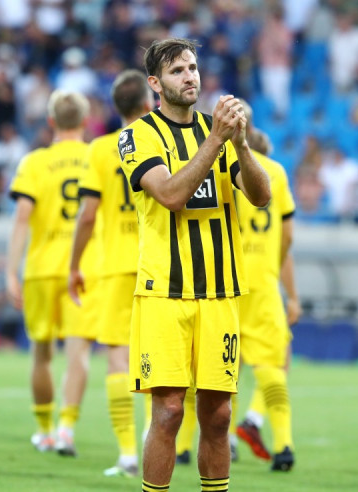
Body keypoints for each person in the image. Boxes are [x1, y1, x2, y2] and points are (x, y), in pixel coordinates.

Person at [117, 38, 270, 492]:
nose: (190, 77)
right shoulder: (138, 136)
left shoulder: (218, 130)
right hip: (165, 292)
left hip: (220, 293)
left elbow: (261, 196)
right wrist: (217, 141)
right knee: (168, 411)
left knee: (219, 415)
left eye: (193, 68)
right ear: (155, 83)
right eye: (177, 70)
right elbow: (170, 195)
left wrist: (241, 146)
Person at [173, 114, 301, 471]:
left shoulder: (207, 166)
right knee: (272, 364)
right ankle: (284, 445)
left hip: (221, 279)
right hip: (262, 282)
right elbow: (288, 235)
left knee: (210, 368)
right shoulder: (274, 171)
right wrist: (279, 276)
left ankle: (184, 446)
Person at [68, 69, 154, 477]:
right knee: (158, 358)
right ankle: (155, 443)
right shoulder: (160, 141)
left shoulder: (101, 149)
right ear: (147, 104)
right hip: (158, 262)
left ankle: (127, 454)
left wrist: (74, 265)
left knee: (118, 358)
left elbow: (87, 216)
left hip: (115, 266)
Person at [6, 90, 101, 456]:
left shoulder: (34, 162)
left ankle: (44, 431)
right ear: (85, 121)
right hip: (85, 269)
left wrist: (11, 271)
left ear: (51, 122)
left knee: (41, 354)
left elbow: (22, 217)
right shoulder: (97, 157)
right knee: (78, 353)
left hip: (42, 269)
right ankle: (66, 429)